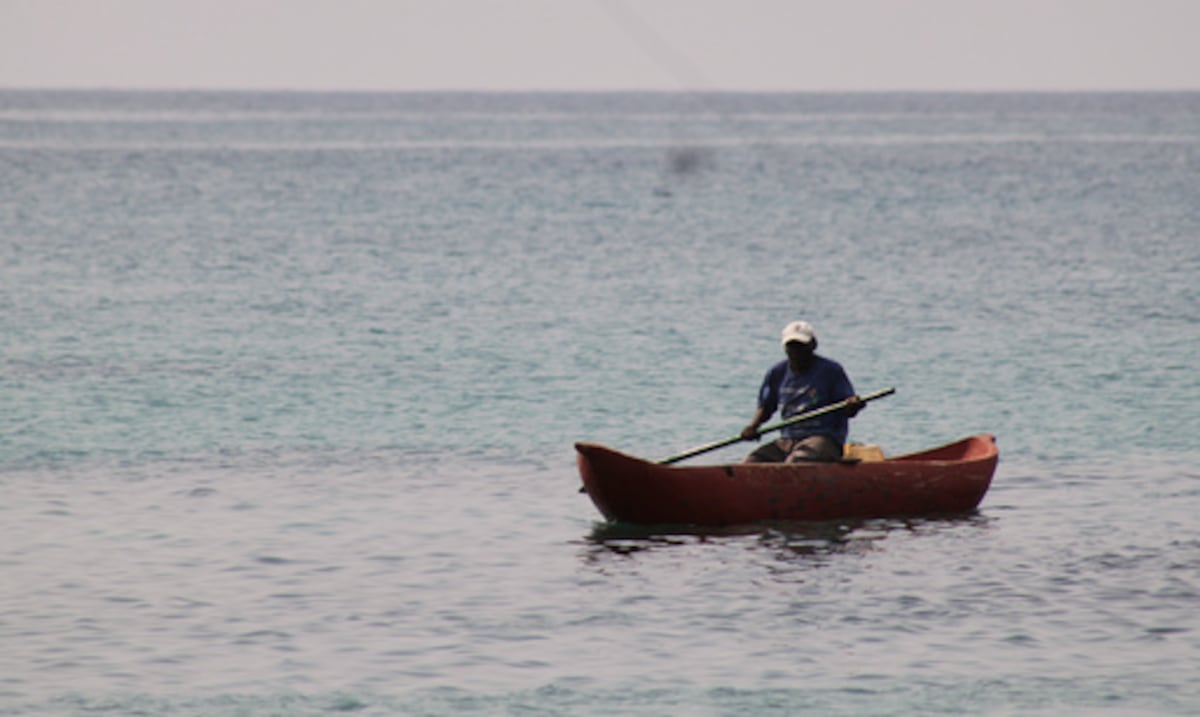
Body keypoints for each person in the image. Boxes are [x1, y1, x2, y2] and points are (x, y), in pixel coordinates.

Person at [740, 320, 864, 463]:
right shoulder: (777, 372)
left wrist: (852, 405)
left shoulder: (831, 370)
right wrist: (753, 427)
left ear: (813, 345)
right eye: (791, 346)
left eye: (800, 346)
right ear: (785, 348)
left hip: (823, 438)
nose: (796, 352)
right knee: (752, 461)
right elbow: (766, 407)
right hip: (788, 439)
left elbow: (849, 408)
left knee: (795, 462)